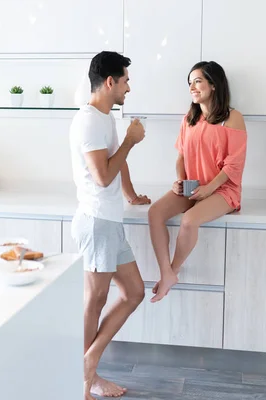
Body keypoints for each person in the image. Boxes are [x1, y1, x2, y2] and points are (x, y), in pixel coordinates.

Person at [69, 51, 151, 400]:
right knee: (95, 300)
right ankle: (84, 382)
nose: (129, 88)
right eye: (126, 81)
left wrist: (131, 195)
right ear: (110, 82)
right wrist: (132, 141)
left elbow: (117, 161)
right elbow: (103, 176)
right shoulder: (89, 121)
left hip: (110, 222)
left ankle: (88, 364)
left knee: (134, 292)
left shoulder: (106, 118)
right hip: (96, 222)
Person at [147, 61, 247, 303]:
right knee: (155, 212)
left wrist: (209, 189)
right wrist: (180, 181)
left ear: (213, 85)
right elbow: (181, 156)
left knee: (190, 221)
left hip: (222, 189)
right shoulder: (190, 118)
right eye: (189, 82)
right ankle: (165, 272)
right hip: (192, 186)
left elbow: (233, 165)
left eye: (198, 81)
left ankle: (174, 269)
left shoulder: (232, 118)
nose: (192, 87)